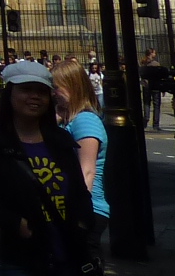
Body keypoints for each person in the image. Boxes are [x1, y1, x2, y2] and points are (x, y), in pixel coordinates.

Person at [0, 59, 101, 275]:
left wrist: (81, 224)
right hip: (22, 261)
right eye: (26, 89)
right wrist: (13, 222)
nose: (34, 96)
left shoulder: (60, 140)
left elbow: (79, 192)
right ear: (10, 94)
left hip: (70, 256)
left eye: (41, 91)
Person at [53, 58, 110, 249]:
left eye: (56, 88)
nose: (53, 94)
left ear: (73, 87)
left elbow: (87, 171)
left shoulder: (85, 121)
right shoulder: (71, 119)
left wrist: (77, 214)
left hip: (88, 210)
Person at [140, 48, 169, 131]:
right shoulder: (156, 64)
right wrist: (163, 88)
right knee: (156, 105)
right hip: (155, 86)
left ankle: (146, 119)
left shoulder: (143, 63)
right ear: (151, 54)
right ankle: (156, 124)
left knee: (146, 103)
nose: (155, 55)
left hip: (146, 86)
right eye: (154, 53)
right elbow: (160, 76)